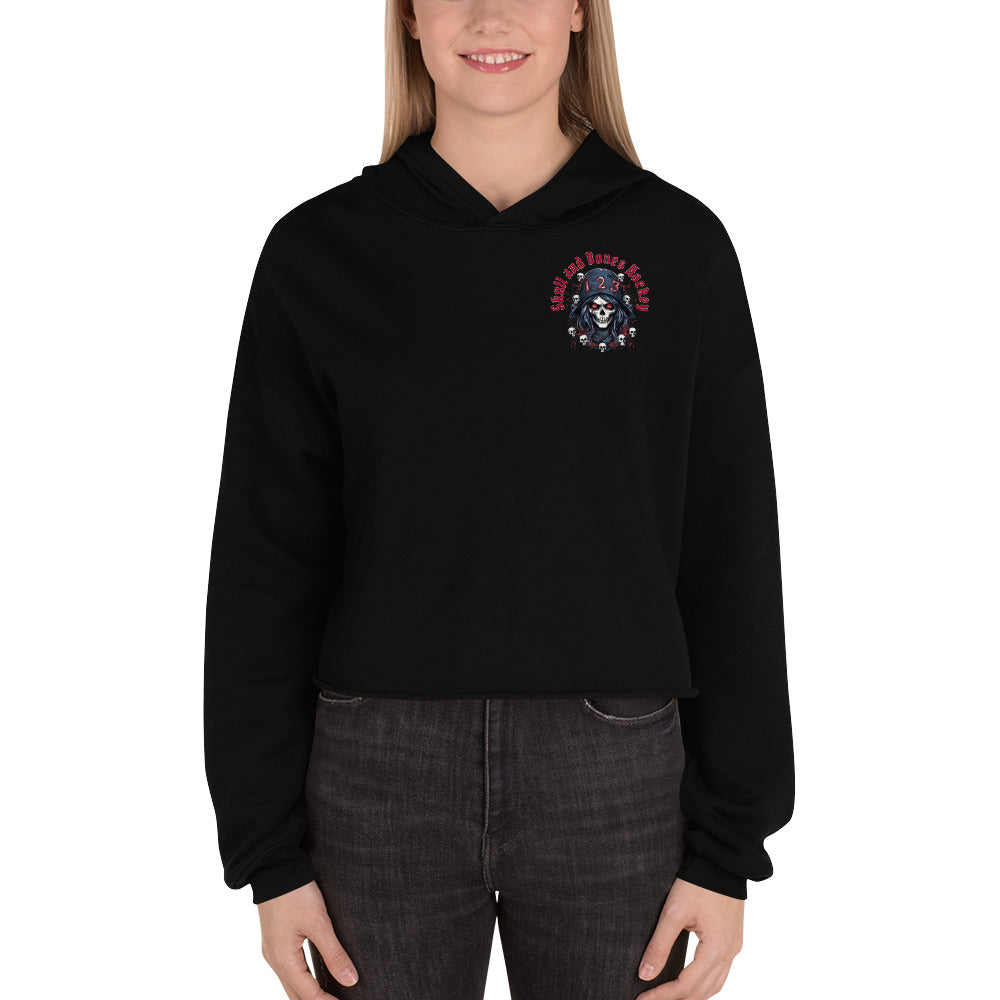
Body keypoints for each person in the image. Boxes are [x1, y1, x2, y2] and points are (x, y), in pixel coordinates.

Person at [203, 2, 795, 998]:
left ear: (579, 11)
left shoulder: (677, 245)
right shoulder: (319, 253)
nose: (491, 16)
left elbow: (728, 549)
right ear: (409, 18)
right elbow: (266, 562)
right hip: (374, 776)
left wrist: (726, 848)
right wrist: (268, 850)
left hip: (612, 773)